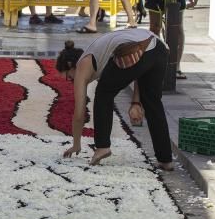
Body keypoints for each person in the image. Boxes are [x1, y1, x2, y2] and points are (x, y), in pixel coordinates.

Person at [57, 29, 173, 170]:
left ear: (70, 65)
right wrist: (136, 102)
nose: (71, 81)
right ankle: (165, 159)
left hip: (139, 49)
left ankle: (102, 147)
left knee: (103, 93)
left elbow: (79, 113)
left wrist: (76, 144)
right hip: (158, 49)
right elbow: (141, 68)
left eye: (69, 77)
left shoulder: (82, 64)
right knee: (153, 103)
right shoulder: (99, 54)